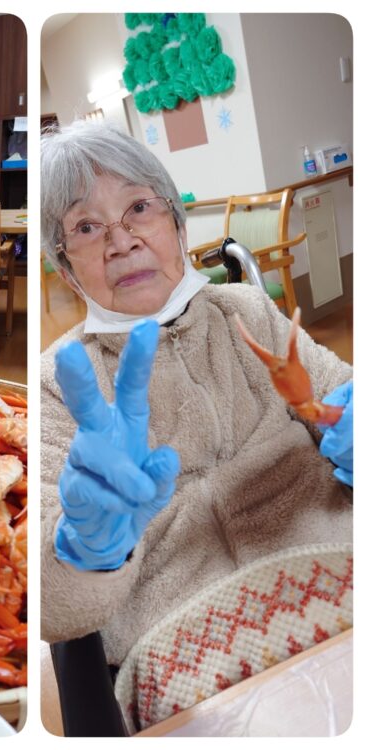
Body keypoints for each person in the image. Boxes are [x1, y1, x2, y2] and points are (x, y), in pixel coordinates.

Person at [39, 121, 353, 670]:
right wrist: (86, 549)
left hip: (339, 577)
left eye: (139, 208)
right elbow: (53, 605)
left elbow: (337, 392)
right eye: (87, 226)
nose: (122, 241)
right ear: (67, 271)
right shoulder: (59, 384)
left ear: (178, 226)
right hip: (187, 647)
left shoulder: (249, 313)